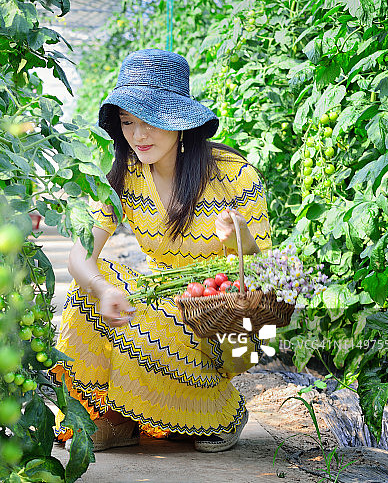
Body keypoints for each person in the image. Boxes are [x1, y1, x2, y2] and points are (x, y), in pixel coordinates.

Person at [50, 49, 271, 453]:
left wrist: (241, 239)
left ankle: (223, 409)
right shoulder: (122, 174)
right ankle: (115, 416)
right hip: (162, 296)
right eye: (128, 122)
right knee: (86, 294)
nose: (139, 136)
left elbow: (263, 278)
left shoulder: (234, 175)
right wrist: (103, 290)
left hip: (223, 313)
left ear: (180, 122)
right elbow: (78, 256)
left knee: (177, 319)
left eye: (151, 122)